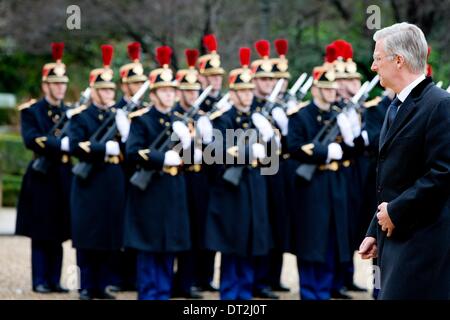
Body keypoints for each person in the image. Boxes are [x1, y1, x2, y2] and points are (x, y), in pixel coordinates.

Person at [359, 22, 450, 300]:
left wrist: (396, 211)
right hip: (395, 237)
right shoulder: (395, 107)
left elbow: (443, 173)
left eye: (377, 59)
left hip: (425, 242)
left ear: (398, 60)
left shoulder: (439, 104)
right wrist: (375, 230)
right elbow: (391, 176)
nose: (373, 67)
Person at [123, 46, 192, 300]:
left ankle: (163, 293)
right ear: (153, 94)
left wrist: (188, 145)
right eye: (164, 90)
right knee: (149, 249)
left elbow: (194, 159)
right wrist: (162, 157)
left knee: (169, 248)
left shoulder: (180, 120)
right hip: (150, 190)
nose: (169, 94)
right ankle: (150, 294)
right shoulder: (142, 120)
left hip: (173, 190)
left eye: (172, 90)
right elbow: (133, 152)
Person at [287, 63, 360, 300]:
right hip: (312, 185)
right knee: (311, 238)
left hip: (335, 182)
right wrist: (325, 152)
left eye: (333, 88)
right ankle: (309, 291)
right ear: (315, 89)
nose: (332, 92)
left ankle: (326, 290)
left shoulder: (339, 115)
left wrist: (350, 141)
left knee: (333, 236)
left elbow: (353, 151)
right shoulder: (301, 115)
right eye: (326, 88)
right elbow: (294, 146)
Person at [204, 47, 273, 300]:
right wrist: (246, 151)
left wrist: (270, 139)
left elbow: (271, 160)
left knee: (251, 246)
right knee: (233, 246)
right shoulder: (223, 119)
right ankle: (230, 295)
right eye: (241, 91)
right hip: (231, 191)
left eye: (248, 91)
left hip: (254, 186)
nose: (246, 95)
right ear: (232, 92)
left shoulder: (257, 118)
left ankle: (244, 295)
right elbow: (214, 153)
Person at [69, 45, 127, 300]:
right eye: (103, 89)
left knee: (109, 233)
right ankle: (85, 285)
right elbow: (75, 145)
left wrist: (124, 135)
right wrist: (105, 148)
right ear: (93, 91)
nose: (107, 93)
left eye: (110, 89)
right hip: (89, 180)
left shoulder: (119, 115)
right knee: (87, 236)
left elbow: (132, 148)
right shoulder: (81, 116)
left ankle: (103, 285)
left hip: (112, 180)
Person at [16, 42, 71, 294]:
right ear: (45, 85)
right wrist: (60, 143)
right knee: (41, 231)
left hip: (62, 174)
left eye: (63, 84)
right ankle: (39, 279)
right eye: (56, 84)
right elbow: (31, 139)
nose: (60, 88)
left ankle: (55, 279)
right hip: (42, 174)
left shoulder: (70, 111)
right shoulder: (32, 111)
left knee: (59, 230)